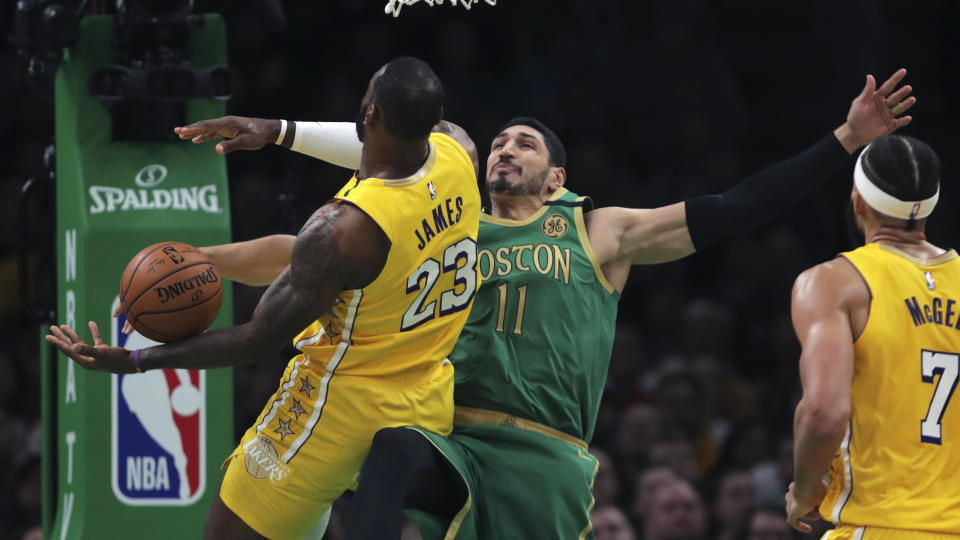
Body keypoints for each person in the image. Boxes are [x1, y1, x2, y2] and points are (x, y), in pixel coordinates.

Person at [176, 69, 915, 539]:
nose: (504, 150)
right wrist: (205, 261)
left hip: (547, 457)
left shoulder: (601, 232)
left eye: (524, 145)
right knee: (387, 450)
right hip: (455, 439)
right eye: (498, 143)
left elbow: (732, 207)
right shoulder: (448, 217)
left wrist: (844, 139)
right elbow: (303, 252)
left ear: (556, 176)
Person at [45, 56, 483, 540]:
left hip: (340, 407)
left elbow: (258, 339)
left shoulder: (345, 229)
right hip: (426, 397)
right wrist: (276, 133)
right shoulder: (458, 153)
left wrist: (135, 360)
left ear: (370, 111)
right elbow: (297, 259)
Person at [786, 135, 960, 538]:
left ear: (858, 201)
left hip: (879, 523)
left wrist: (805, 493)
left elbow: (822, 411)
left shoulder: (833, 283)